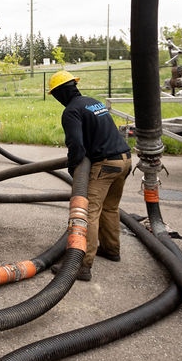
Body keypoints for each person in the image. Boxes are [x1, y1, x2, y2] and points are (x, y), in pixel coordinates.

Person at [48, 70, 132, 282]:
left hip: (105, 165)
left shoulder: (71, 112)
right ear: (74, 86)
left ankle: (82, 266)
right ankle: (112, 250)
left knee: (88, 213)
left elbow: (76, 144)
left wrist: (74, 167)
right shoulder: (93, 102)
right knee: (110, 208)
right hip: (125, 160)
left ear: (59, 94)